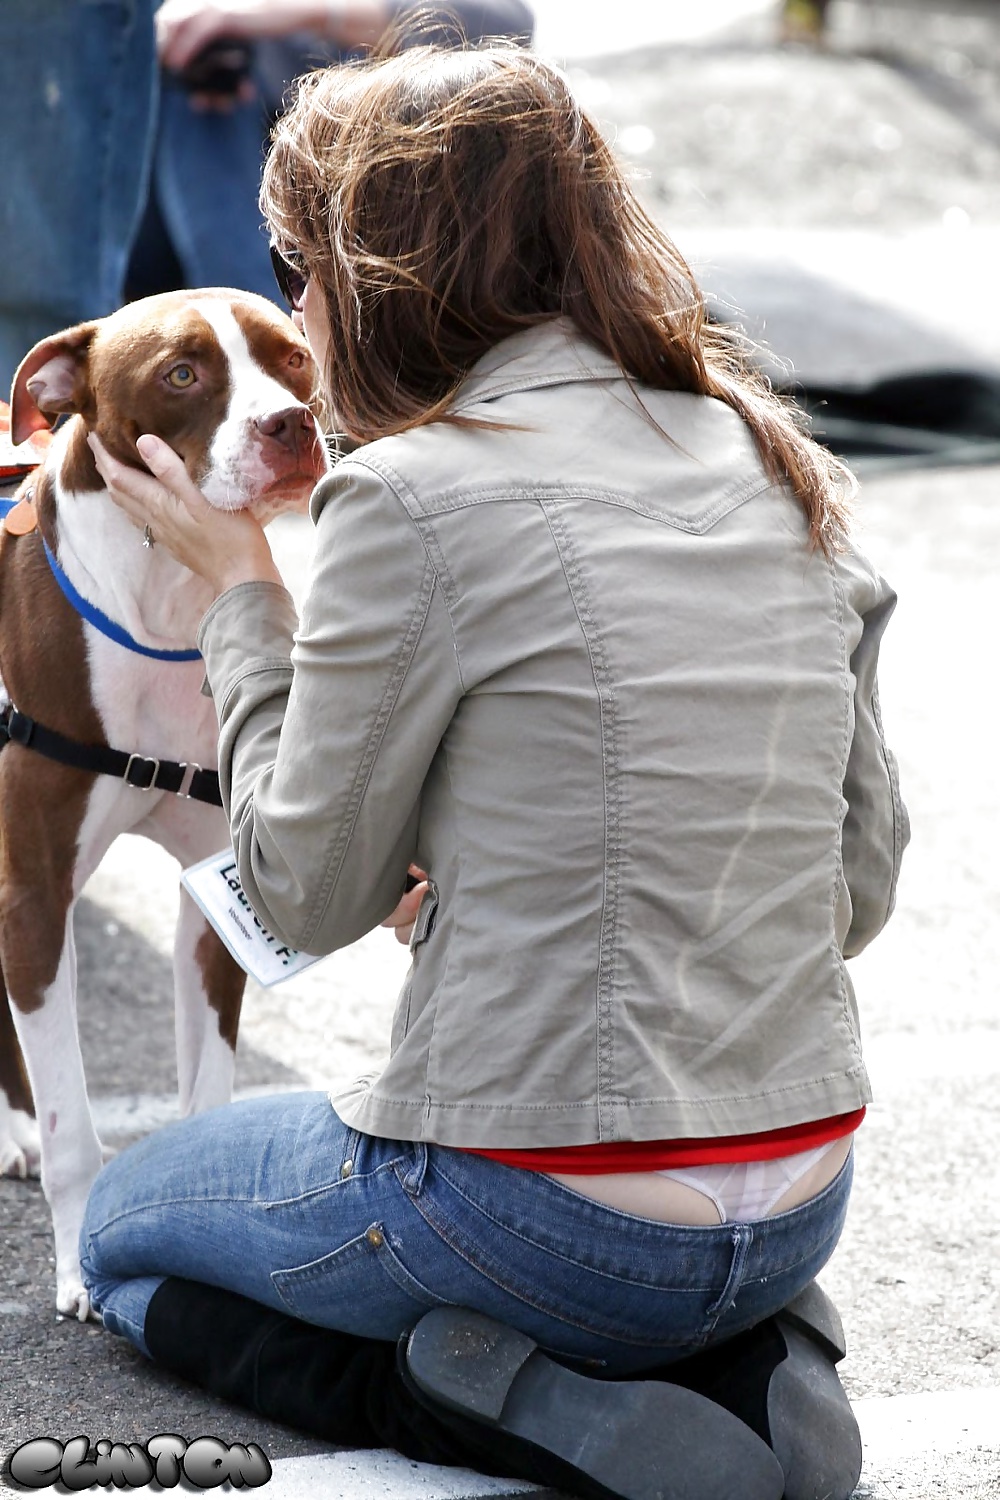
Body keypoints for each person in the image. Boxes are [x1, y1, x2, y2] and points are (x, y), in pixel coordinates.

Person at [83, 41, 908, 1500]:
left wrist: (240, 595)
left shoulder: (408, 495)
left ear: (370, 271)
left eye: (300, 272)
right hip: (801, 1201)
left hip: (543, 1217)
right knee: (643, 1253)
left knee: (127, 1235)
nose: (298, 315)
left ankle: (528, 1407)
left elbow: (297, 892)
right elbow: (851, 887)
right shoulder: (770, 454)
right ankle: (760, 1372)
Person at [127, 0, 535, 302]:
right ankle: (265, 331)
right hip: (181, 232)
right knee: (199, 105)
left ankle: (271, 331)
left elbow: (504, 29)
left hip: (361, 227)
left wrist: (297, 14)